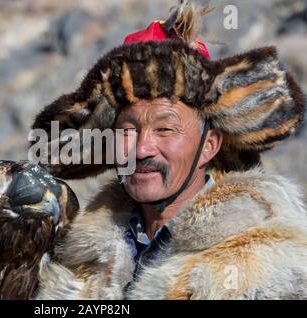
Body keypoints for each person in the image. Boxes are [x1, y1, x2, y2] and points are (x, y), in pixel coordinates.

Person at [31, 1, 307, 299]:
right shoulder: (76, 259)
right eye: (128, 131)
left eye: (165, 129)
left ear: (209, 146)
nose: (142, 149)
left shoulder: (264, 267)